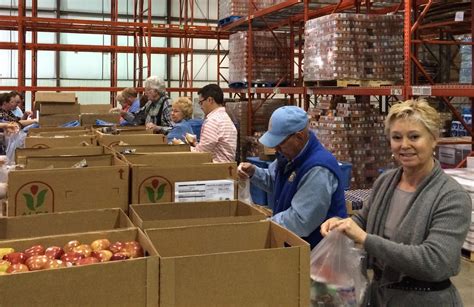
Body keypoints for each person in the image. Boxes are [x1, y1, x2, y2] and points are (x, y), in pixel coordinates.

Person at [320, 99, 471, 306]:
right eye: (397, 137)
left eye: (414, 137)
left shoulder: (450, 196)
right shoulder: (386, 181)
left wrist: (365, 239)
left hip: (425, 300)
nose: (404, 145)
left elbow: (435, 261)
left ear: (434, 138)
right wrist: (341, 225)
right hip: (381, 296)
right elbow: (362, 221)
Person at [238, 106, 347, 249]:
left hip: (318, 254)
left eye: (281, 143)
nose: (276, 149)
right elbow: (275, 180)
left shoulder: (318, 169)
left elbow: (301, 220)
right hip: (295, 247)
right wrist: (254, 172)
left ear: (299, 137)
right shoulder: (290, 156)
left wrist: (264, 226)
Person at [189, 84, 237, 163]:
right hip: (226, 168)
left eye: (201, 102)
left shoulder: (213, 121)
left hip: (215, 171)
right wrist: (196, 144)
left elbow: (201, 153)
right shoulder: (225, 118)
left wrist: (182, 148)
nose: (201, 106)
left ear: (210, 100)